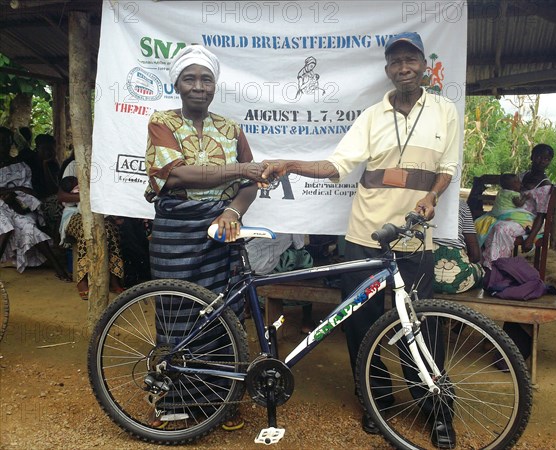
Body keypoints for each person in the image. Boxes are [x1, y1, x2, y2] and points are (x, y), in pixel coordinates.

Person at [261, 32, 459, 448]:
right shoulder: (371, 116)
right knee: (362, 325)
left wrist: (432, 195)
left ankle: (434, 405)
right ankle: (375, 401)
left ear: (423, 64)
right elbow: (337, 165)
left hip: (415, 239)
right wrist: (292, 163)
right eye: (395, 62)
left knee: (420, 326)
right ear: (388, 70)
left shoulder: (445, 111)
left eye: (410, 59)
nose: (403, 67)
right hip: (366, 236)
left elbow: (449, 166)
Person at [144, 44, 266, 431]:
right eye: (190, 78)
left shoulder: (231, 129)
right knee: (178, 315)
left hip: (222, 230)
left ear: (215, 85)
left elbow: (252, 182)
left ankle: (220, 400)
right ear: (178, 84)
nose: (199, 86)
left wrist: (233, 211)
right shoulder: (161, 121)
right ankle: (175, 400)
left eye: (206, 79)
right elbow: (175, 175)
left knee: (223, 316)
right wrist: (239, 169)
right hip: (175, 231)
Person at [0, 126, 71, 281]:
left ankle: (58, 267)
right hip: (3, 206)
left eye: (6, 142)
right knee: (6, 226)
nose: (3, 145)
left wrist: (16, 192)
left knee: (28, 225)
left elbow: (31, 190)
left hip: (18, 204)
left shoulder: (20, 165)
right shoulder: (26, 160)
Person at [57, 159, 125, 300]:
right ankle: (82, 280)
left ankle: (114, 278)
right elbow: (62, 196)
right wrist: (89, 196)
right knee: (86, 229)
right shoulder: (74, 165)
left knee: (110, 229)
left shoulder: (107, 162)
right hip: (74, 213)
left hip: (98, 210)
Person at [478, 144, 554, 270]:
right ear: (532, 156)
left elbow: (541, 216)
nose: (542, 161)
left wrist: (530, 238)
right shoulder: (522, 176)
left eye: (546, 159)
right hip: (509, 217)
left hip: (528, 223)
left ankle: (497, 268)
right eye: (539, 156)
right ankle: (483, 264)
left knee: (501, 228)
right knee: (483, 224)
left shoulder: (545, 186)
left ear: (549, 162)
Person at [433, 200, 484, 294]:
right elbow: (475, 255)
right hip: (458, 281)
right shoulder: (460, 204)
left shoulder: (416, 201)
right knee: (481, 270)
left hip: (421, 280)